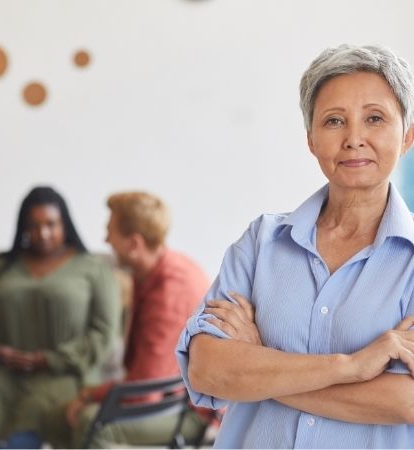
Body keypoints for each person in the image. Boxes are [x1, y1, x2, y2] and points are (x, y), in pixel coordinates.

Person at [177, 44, 414, 449]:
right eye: (334, 121)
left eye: (375, 118)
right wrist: (352, 366)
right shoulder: (261, 242)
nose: (354, 138)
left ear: (407, 135)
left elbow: (405, 401)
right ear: (310, 140)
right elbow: (207, 369)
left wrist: (259, 366)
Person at [51, 191, 210, 448]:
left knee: (93, 422)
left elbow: (146, 390)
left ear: (134, 244)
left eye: (110, 231)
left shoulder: (170, 292)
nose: (105, 239)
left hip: (193, 410)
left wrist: (90, 395)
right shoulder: (148, 270)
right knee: (66, 415)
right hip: (171, 393)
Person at [0, 186, 120, 449]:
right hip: (1, 374)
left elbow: (103, 334)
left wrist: (46, 359)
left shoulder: (93, 268)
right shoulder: (2, 265)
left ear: (65, 224)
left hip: (63, 374)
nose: (43, 233)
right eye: (34, 225)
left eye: (51, 224)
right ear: (23, 227)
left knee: (25, 432)